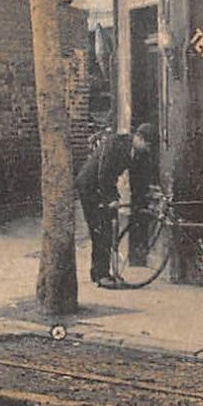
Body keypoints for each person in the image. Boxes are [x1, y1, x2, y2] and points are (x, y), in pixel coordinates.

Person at [76, 123, 153, 287]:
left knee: (108, 231)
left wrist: (141, 200)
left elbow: (138, 179)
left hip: (103, 187)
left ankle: (101, 272)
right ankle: (101, 275)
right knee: (100, 230)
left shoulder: (137, 153)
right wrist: (110, 198)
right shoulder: (116, 144)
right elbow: (104, 172)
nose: (148, 149)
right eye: (147, 144)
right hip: (90, 186)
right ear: (138, 138)